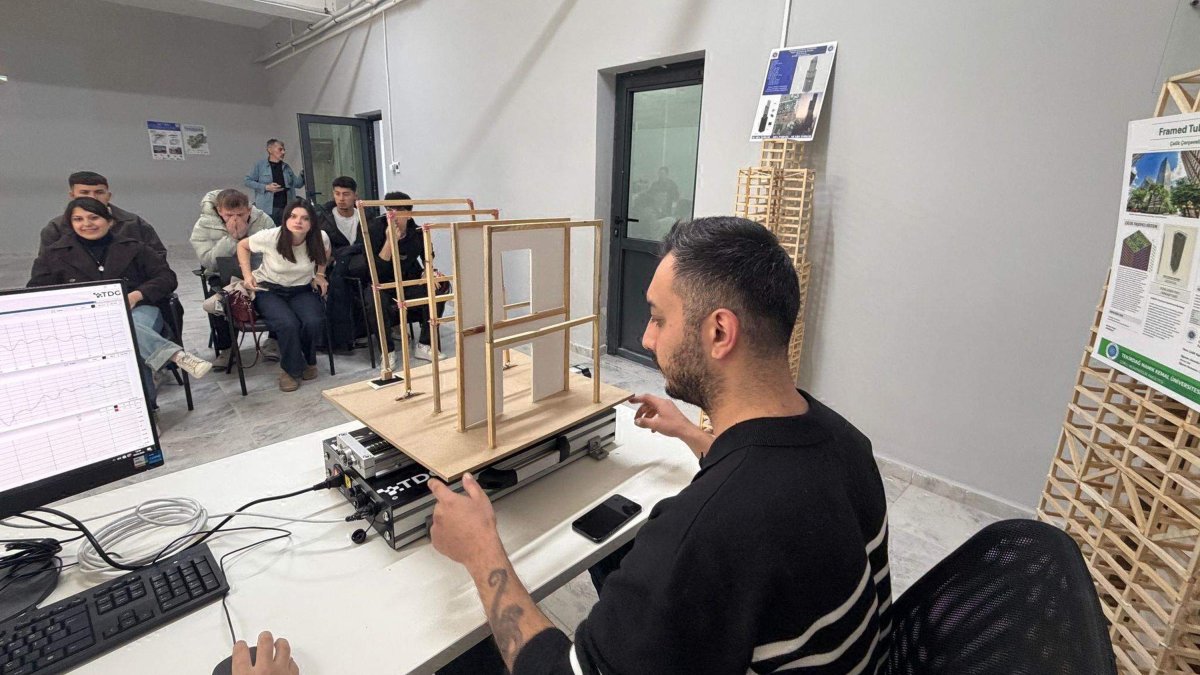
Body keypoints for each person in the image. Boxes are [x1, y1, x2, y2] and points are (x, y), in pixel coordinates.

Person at [231, 217, 891, 674]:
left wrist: (483, 549)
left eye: (659, 318)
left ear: (720, 332)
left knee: (462, 651)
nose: (649, 337)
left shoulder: (704, 533)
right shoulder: (847, 445)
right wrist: (696, 435)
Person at [29, 198, 212, 409]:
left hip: (138, 309)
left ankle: (147, 412)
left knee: (127, 333)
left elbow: (166, 278)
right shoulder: (54, 255)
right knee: (127, 341)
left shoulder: (135, 248)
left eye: (93, 217)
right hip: (80, 320)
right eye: (78, 219)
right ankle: (173, 355)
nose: (86, 224)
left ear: (110, 221)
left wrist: (136, 295)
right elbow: (37, 291)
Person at [237, 200, 330, 392]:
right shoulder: (271, 236)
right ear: (286, 218)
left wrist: (320, 274)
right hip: (269, 289)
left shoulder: (320, 237)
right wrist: (247, 276)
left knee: (313, 320)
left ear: (311, 222)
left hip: (301, 289)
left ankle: (308, 360)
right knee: (287, 324)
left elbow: (324, 253)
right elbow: (242, 246)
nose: (298, 222)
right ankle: (290, 371)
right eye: (293, 216)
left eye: (305, 218)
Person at [190, 188, 276, 368]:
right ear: (219, 211)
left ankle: (274, 340)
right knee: (218, 299)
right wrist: (231, 238)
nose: (235, 219)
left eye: (240, 214)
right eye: (229, 215)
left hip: (259, 273)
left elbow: (276, 251)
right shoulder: (204, 225)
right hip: (221, 275)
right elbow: (208, 262)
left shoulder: (263, 220)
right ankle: (227, 348)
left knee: (279, 290)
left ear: (249, 210)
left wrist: (247, 240)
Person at [367, 191, 445, 359]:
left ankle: (425, 344)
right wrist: (389, 242)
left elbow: (428, 253)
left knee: (439, 285)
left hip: (407, 281)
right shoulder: (374, 229)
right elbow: (376, 270)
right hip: (381, 284)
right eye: (388, 209)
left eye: (398, 209)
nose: (392, 214)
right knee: (375, 298)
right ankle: (387, 352)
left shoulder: (416, 232)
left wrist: (428, 270)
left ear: (409, 214)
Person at [40, 171, 166, 258]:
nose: (93, 197)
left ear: (109, 195)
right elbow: (47, 266)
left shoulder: (133, 222)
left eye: (99, 192)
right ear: (72, 196)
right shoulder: (55, 228)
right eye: (84, 192)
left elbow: (158, 257)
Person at [316, 176, 367, 353]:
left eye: (346, 194)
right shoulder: (324, 219)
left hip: (362, 266)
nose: (341, 198)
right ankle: (345, 338)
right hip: (333, 267)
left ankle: (348, 336)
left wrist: (347, 252)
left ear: (355, 195)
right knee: (340, 282)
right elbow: (320, 248)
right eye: (337, 194)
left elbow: (370, 243)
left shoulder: (365, 216)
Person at [245, 139, 305, 225]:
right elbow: (247, 181)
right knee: (269, 233)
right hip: (267, 209)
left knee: (285, 233)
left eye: (284, 150)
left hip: (286, 207)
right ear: (270, 150)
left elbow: (297, 184)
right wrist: (266, 187)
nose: (283, 152)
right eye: (280, 149)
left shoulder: (286, 167)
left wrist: (303, 174)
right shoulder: (260, 165)